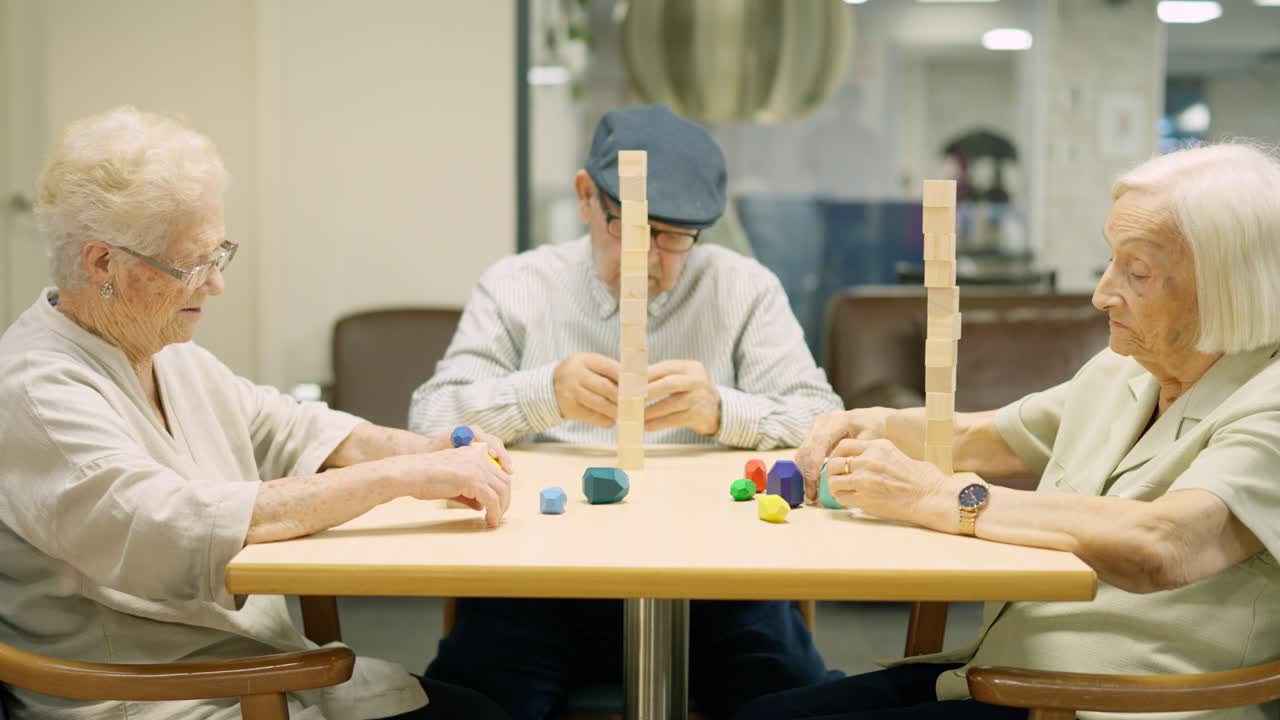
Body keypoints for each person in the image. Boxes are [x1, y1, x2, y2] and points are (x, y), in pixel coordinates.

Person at [735, 142, 1280, 720]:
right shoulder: (1130, 368)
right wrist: (871, 423)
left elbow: (1164, 544)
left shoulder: (1267, 403)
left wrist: (938, 497)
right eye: (1111, 260)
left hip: (1109, 704)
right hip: (1004, 671)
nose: (1102, 294)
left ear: (1230, 287)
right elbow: (985, 436)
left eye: (1137, 272)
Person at [0, 107, 513, 720]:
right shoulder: (34, 391)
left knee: (480, 707)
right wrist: (397, 480)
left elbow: (286, 425)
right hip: (146, 695)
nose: (215, 285)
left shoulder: (157, 349)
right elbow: (171, 527)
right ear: (102, 264)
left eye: (221, 254)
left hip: (242, 667)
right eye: (193, 264)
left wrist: (426, 452)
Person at [410, 105, 842, 719]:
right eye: (630, 228)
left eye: (672, 236)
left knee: (797, 703)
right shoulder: (516, 285)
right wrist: (540, 395)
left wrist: (723, 411)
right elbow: (425, 420)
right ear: (587, 196)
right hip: (535, 580)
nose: (648, 259)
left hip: (722, 581)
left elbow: (824, 422)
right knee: (473, 705)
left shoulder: (744, 288)